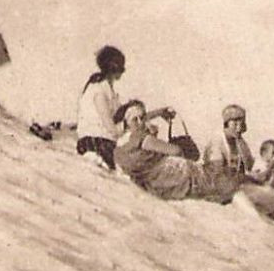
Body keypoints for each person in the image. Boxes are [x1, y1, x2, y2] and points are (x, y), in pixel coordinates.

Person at [114, 99, 244, 203]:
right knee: (219, 182)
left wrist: (158, 113)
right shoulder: (142, 138)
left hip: (156, 184)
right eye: (135, 119)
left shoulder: (120, 144)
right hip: (176, 177)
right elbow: (176, 151)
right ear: (127, 122)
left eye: (142, 118)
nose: (140, 122)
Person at [75, 45, 127, 169]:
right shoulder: (99, 90)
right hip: (96, 143)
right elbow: (111, 127)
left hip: (101, 141)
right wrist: (127, 129)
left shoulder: (107, 90)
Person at [203, 104, 255, 175]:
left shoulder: (239, 142)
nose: (239, 128)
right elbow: (216, 170)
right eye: (235, 124)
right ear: (226, 124)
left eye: (241, 124)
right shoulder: (217, 141)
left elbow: (249, 166)